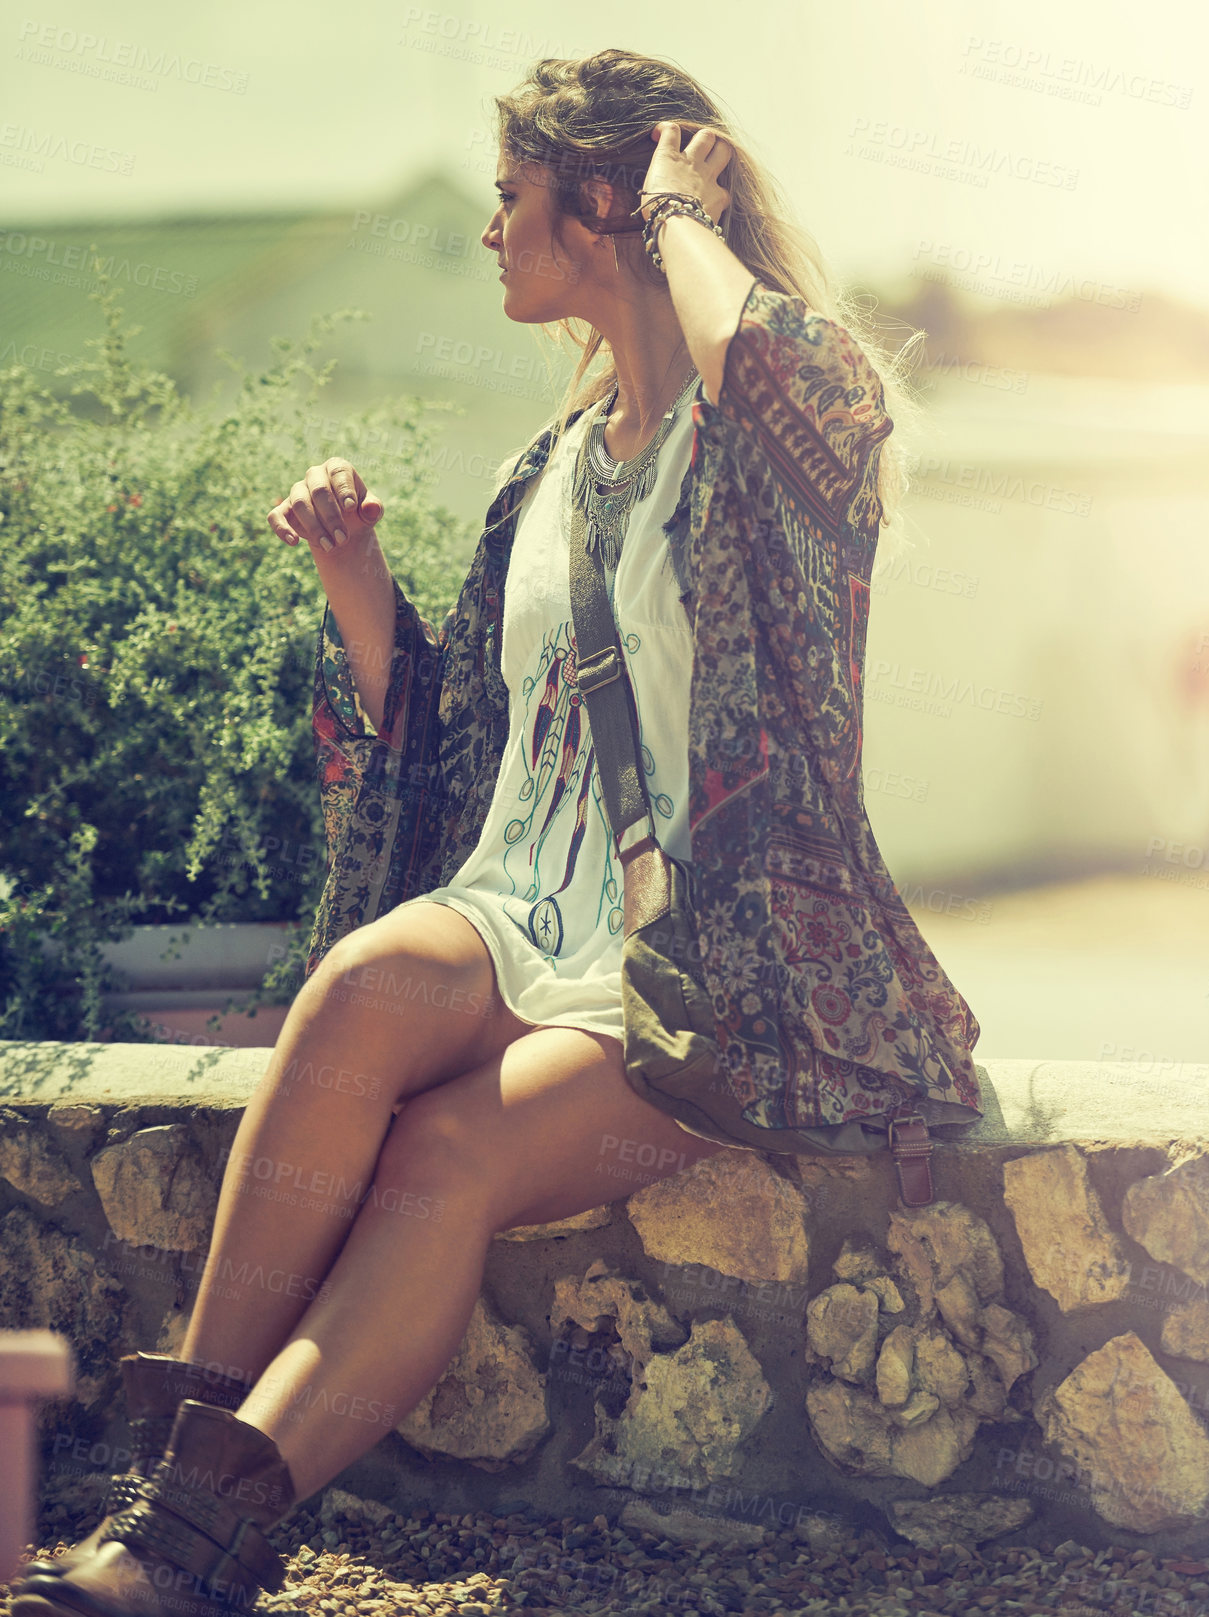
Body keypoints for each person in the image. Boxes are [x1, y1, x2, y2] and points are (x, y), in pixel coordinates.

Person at [11, 47, 981, 1617]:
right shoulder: (549, 472)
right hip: (516, 911)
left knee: (447, 1147)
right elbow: (470, 742)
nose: (490, 231)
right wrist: (358, 592)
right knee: (352, 990)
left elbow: (769, 369)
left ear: (604, 201)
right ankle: (172, 1486)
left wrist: (683, 208)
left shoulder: (786, 429)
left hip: (705, 971)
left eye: (515, 195)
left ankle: (188, 1554)